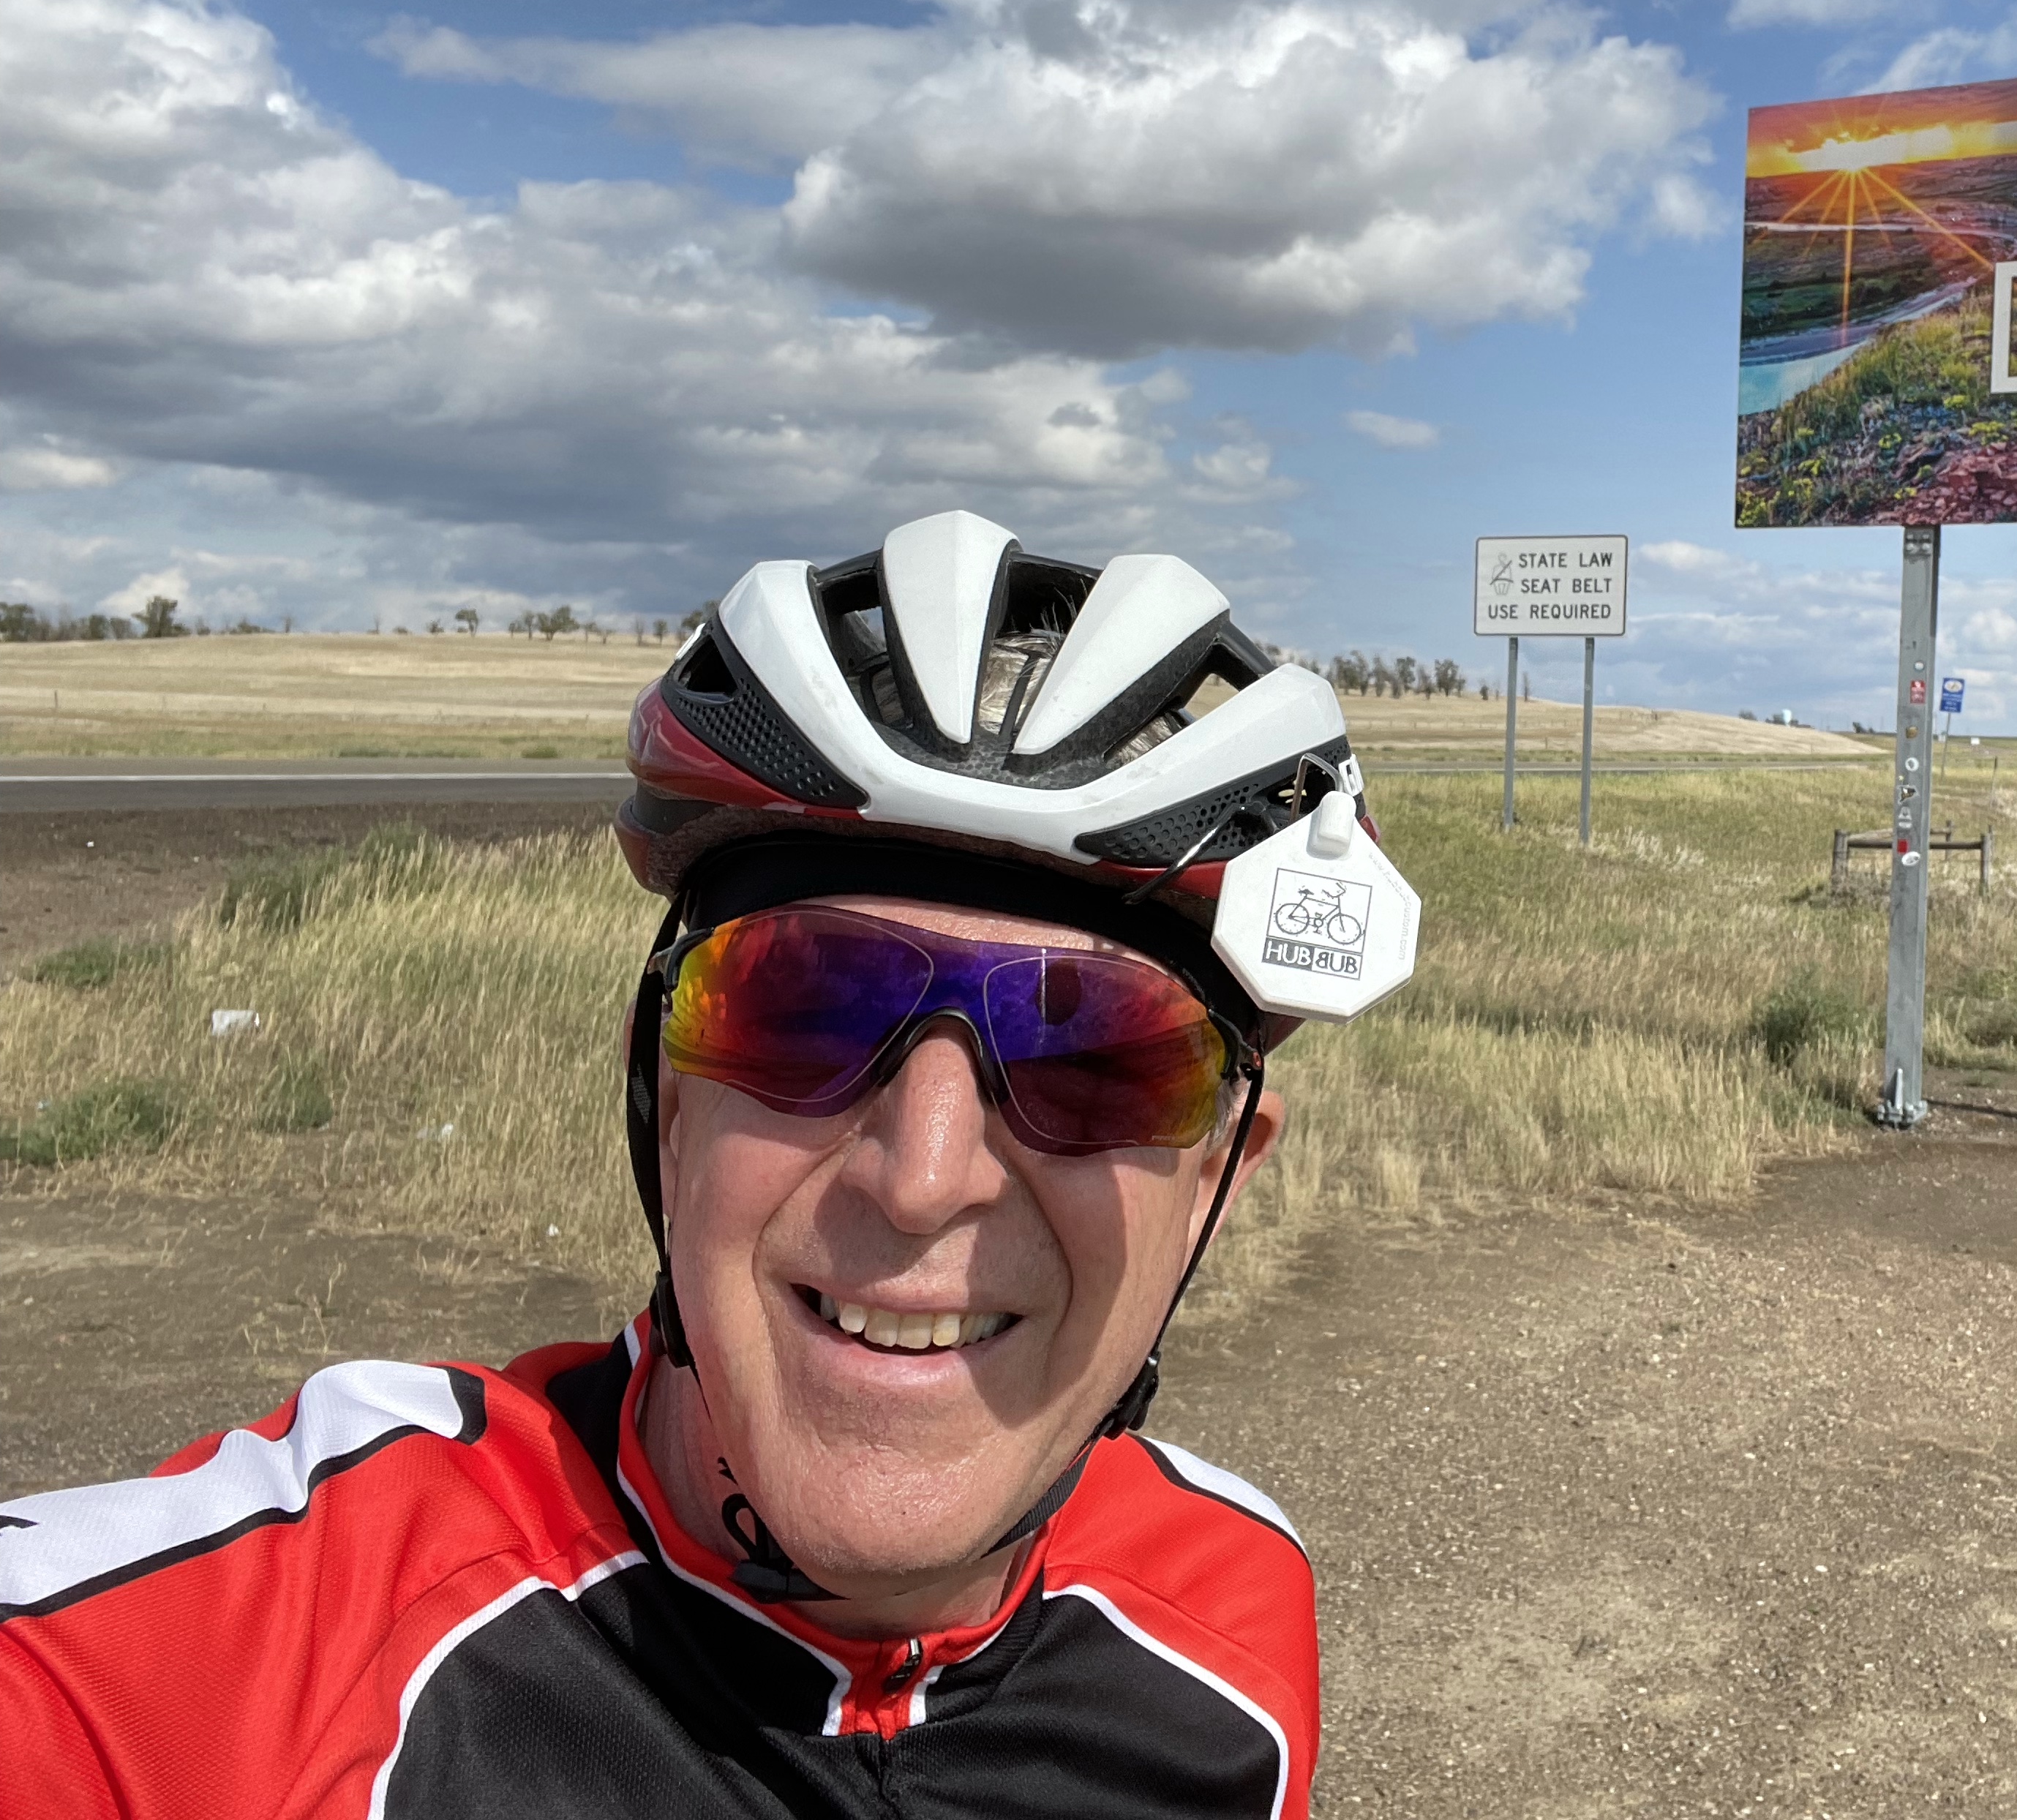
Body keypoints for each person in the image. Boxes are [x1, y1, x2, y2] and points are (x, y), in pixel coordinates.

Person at [0, 512, 1419, 1818]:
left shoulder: (1232, 1626)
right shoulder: (268, 1651)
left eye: (1097, 1057)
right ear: (664, 1098)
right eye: (806, 1009)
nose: (923, 1179)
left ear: (1219, 1182)